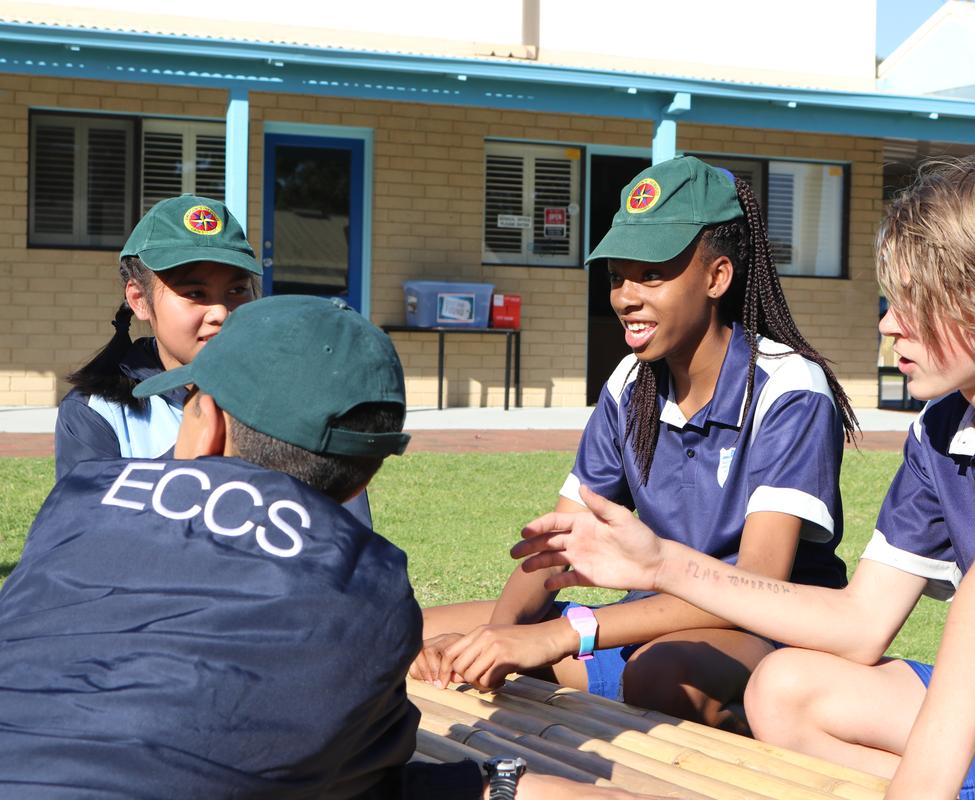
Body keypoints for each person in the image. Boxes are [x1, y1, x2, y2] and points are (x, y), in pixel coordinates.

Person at [513, 158, 975, 799]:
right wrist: (662, 563)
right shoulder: (944, 429)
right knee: (784, 686)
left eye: (912, 300)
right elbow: (859, 622)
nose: (887, 323)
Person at [0, 294, 646, 800]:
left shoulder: (80, 497)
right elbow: (364, 771)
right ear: (364, 479)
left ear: (210, 423)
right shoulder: (372, 590)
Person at [415, 156, 858, 733]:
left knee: (661, 676)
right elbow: (560, 544)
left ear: (717, 278)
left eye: (651, 275)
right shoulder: (631, 383)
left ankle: (767, 729)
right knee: (414, 632)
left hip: (762, 634)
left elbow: (759, 586)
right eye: (616, 276)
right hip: (648, 622)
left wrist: (559, 635)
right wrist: (496, 641)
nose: (626, 296)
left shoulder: (789, 387)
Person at [54, 193, 372, 525]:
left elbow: (346, 536)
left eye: (237, 290)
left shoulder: (301, 400)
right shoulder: (96, 412)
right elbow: (89, 537)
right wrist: (196, 455)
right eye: (195, 294)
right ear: (139, 299)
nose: (220, 312)